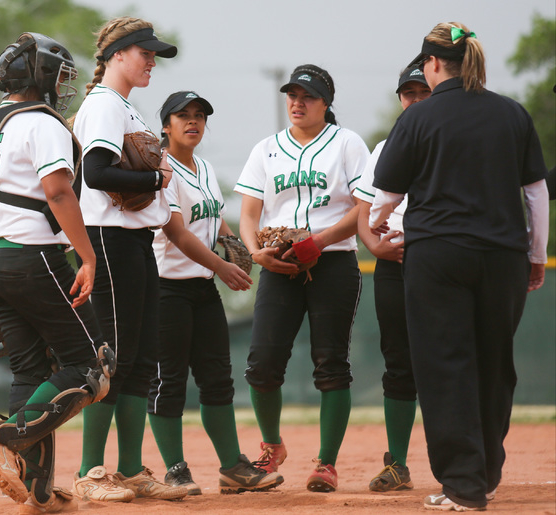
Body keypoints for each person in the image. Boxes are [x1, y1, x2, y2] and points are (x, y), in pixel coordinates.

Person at [369, 22, 549, 511]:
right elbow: (536, 191)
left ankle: (464, 486)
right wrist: (536, 256)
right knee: (494, 364)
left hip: (439, 257)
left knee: (446, 365)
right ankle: (485, 475)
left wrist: (377, 225)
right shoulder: (511, 114)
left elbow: (386, 194)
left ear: (431, 65)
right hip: (503, 257)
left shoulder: (419, 117)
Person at [0, 32, 115, 515]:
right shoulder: (42, 123)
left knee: (32, 370)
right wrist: (87, 256)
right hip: (33, 256)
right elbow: (57, 192)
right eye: (60, 73)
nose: (64, 84)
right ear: (43, 76)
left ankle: (39, 491)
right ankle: (4, 438)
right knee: (91, 368)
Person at [235, 65, 369, 492]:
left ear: (325, 103)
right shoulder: (266, 149)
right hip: (279, 262)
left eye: (307, 96)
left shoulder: (346, 143)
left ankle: (326, 464)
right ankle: (272, 445)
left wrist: (322, 240)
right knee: (262, 365)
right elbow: (249, 214)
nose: (297, 102)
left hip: (332, 261)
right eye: (292, 94)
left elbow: (364, 207)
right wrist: (256, 252)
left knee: (331, 365)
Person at [70, 17, 188, 502]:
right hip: (110, 237)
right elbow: (96, 173)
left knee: (139, 359)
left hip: (135, 241)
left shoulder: (125, 107)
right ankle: (90, 472)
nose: (152, 61)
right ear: (117, 54)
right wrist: (156, 181)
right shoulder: (102, 105)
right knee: (114, 355)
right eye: (145, 52)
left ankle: (133, 469)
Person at [147, 91, 284, 495]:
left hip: (202, 289)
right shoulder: (161, 169)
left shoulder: (204, 168)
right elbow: (175, 231)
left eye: (199, 116)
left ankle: (231, 468)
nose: (193, 122)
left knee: (217, 381)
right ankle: (175, 470)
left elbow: (216, 220)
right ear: (166, 126)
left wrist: (239, 248)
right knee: (168, 383)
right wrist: (221, 266)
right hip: (165, 290)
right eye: (183, 116)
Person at [354, 66, 431, 492]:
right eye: (409, 92)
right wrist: (374, 246)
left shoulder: (451, 140)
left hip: (439, 260)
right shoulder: (385, 148)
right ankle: (397, 463)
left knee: (445, 360)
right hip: (393, 263)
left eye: (424, 90)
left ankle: (461, 462)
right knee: (398, 362)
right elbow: (365, 214)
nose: (416, 98)